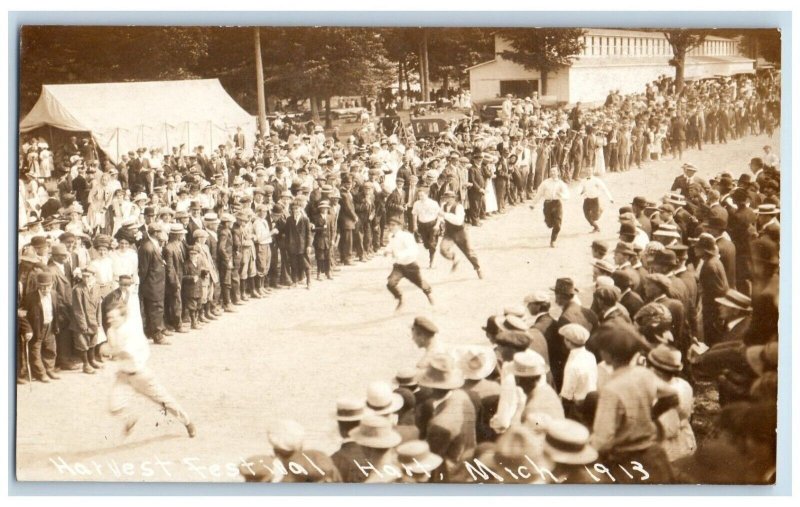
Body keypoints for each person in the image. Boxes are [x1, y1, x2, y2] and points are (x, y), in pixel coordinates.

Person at [102, 301, 196, 438]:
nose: (110, 320)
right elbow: (114, 350)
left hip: (141, 375)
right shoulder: (112, 330)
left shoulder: (130, 330)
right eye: (109, 318)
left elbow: (124, 353)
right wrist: (109, 348)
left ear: (123, 317)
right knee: (114, 406)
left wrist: (107, 350)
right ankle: (130, 420)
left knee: (164, 401)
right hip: (124, 375)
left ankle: (187, 422)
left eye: (113, 317)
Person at [384, 216, 434, 311]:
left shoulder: (406, 236)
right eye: (389, 225)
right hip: (399, 266)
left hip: (410, 265)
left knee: (420, 282)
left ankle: (429, 295)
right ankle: (400, 298)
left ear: (399, 226)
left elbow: (413, 250)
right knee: (390, 284)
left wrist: (399, 254)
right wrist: (387, 250)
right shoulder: (391, 236)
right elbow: (391, 245)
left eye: (393, 225)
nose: (391, 227)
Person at [438, 190, 482, 279]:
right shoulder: (443, 206)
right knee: (443, 249)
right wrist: (439, 222)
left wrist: (444, 215)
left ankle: (478, 268)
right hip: (449, 233)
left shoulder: (459, 207)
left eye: (449, 197)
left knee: (469, 252)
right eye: (445, 197)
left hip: (460, 233)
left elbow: (458, 221)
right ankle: (455, 258)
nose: (446, 199)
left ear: (454, 198)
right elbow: (440, 217)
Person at [532, 167, 570, 248]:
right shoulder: (545, 183)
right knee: (549, 224)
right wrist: (533, 204)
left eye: (554, 171)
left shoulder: (561, 183)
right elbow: (539, 194)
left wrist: (562, 195)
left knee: (558, 225)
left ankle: (553, 241)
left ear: (558, 173)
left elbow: (567, 195)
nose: (552, 173)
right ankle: (548, 221)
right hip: (548, 204)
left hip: (557, 204)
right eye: (551, 171)